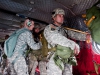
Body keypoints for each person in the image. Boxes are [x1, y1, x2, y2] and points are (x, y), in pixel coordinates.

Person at [43, 8, 88, 75]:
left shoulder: (63, 29)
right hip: (55, 58)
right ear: (54, 18)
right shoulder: (50, 28)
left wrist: (87, 37)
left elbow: (74, 34)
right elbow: (56, 38)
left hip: (66, 57)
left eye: (63, 16)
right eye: (59, 16)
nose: (62, 18)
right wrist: (73, 45)